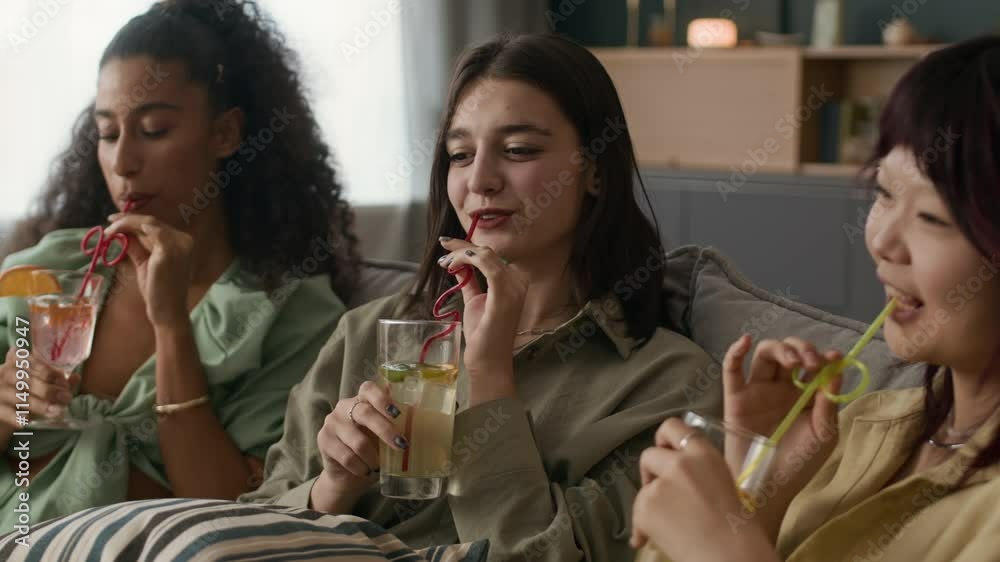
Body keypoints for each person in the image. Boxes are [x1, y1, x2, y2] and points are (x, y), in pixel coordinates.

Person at [241, 33, 720, 560]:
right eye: (460, 154)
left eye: (519, 150)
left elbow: (542, 556)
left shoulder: (671, 386)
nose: (481, 180)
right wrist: (334, 483)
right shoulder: (367, 334)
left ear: (598, 172)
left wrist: (490, 374)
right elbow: (249, 523)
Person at [631, 36, 1000, 562]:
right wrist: (759, 481)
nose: (882, 241)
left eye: (934, 218)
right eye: (884, 193)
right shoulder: (863, 427)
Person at [0, 0, 358, 530]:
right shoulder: (44, 274)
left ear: (225, 134)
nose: (122, 163)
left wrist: (171, 327)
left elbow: (235, 512)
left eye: (154, 129)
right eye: (107, 133)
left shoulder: (293, 316)